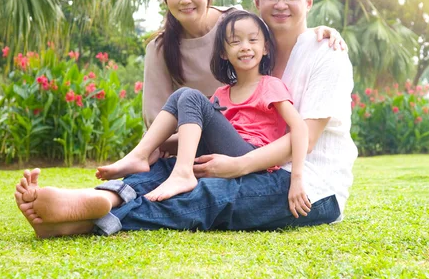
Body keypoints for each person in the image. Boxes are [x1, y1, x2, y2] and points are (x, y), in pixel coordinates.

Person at [14, 0, 357, 238]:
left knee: (211, 194)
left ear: (309, 1)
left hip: (309, 186)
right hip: (258, 164)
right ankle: (97, 199)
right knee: (171, 168)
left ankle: (84, 218)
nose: (280, 4)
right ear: (256, 1)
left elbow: (306, 138)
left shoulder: (326, 52)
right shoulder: (256, 49)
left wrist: (237, 164)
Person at [95, 11, 311, 217]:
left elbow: (299, 128)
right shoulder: (222, 93)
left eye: (253, 40)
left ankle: (181, 172)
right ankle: (142, 156)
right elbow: (202, 135)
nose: (245, 47)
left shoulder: (270, 85)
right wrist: (162, 145)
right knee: (183, 97)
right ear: (223, 53)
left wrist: (298, 178)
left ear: (265, 48)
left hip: (251, 156)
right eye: (235, 41)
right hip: (224, 153)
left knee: (189, 96)